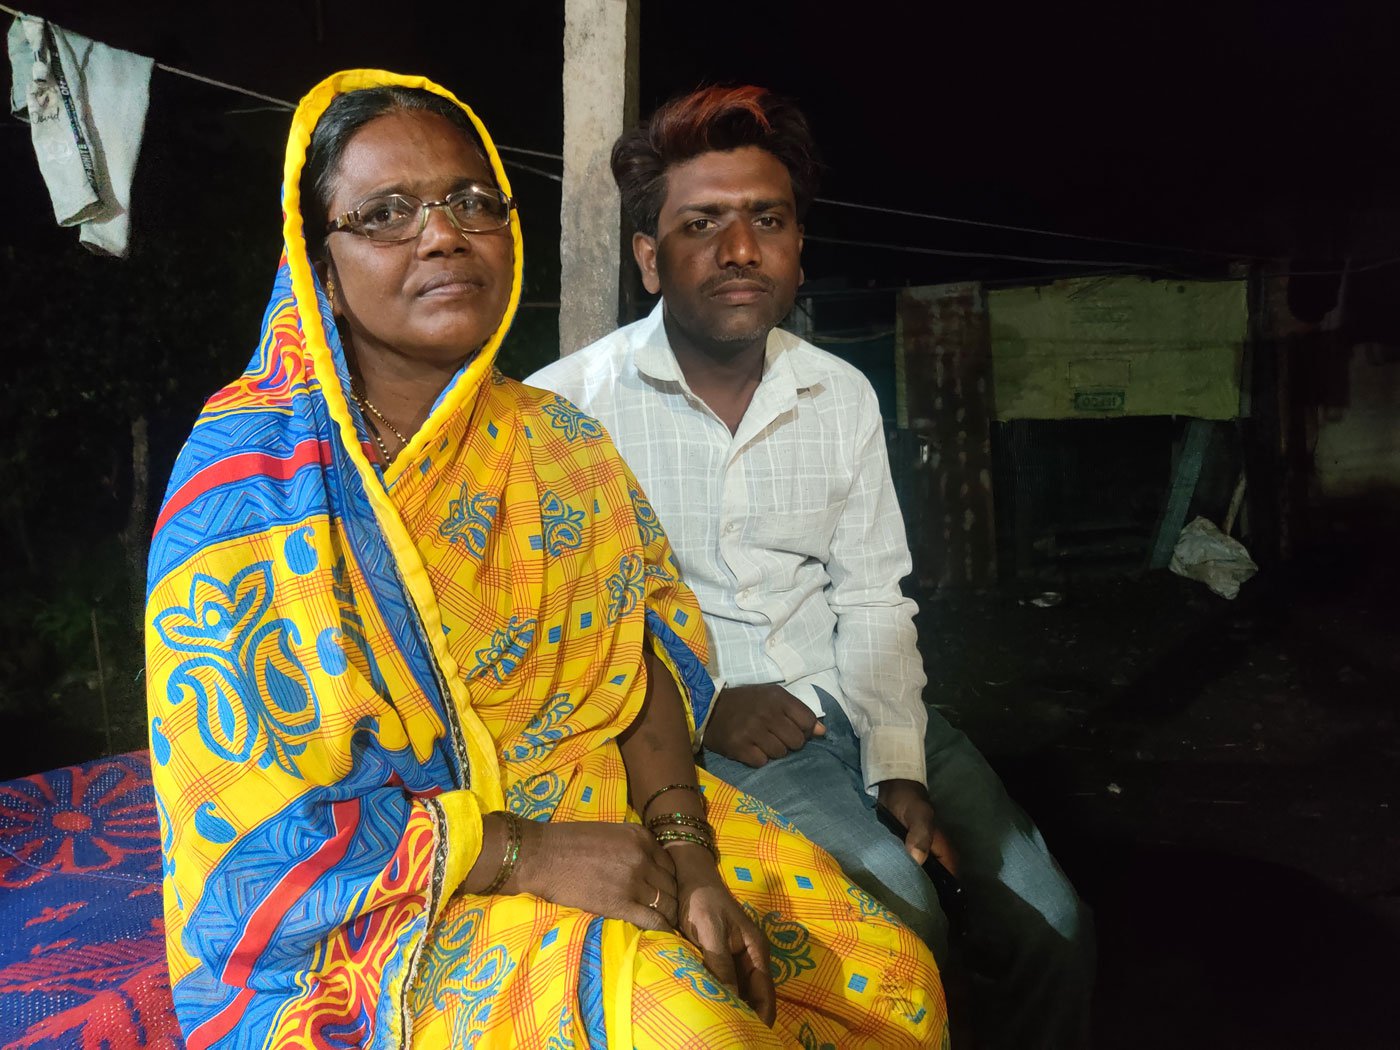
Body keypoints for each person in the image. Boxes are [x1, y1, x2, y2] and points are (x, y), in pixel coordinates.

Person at [145, 70, 947, 1049]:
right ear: (317, 265)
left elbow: (641, 661)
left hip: (622, 821)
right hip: (386, 909)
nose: (442, 234)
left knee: (884, 973)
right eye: (385, 214)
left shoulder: (558, 443)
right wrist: (525, 852)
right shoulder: (254, 482)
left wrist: (686, 855)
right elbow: (253, 829)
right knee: (690, 1028)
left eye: (471, 201)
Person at [528, 85, 1094, 1048]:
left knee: (1054, 926)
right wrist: (706, 703)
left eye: (768, 220)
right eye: (701, 223)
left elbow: (873, 593)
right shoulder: (567, 413)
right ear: (648, 258)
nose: (739, 249)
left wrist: (898, 760)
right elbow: (560, 635)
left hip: (850, 693)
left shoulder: (839, 394)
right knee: (897, 915)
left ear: (796, 247)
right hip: (705, 733)